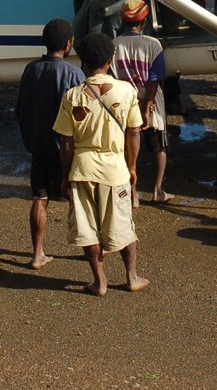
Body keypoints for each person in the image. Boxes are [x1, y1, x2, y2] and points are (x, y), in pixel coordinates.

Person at [53, 31, 149, 296]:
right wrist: (132, 168)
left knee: (88, 229)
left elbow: (66, 141)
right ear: (110, 59)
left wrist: (65, 175)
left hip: (82, 169)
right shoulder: (126, 91)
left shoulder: (72, 96)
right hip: (115, 170)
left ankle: (100, 281)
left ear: (82, 61)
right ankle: (131, 277)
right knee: (123, 226)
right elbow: (133, 132)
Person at [16, 19, 84, 270]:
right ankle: (94, 252)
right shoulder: (74, 73)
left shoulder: (30, 69)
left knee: (40, 197)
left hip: (38, 146)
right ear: (69, 44)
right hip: (65, 148)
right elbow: (82, 115)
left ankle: (37, 254)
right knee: (80, 200)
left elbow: (20, 108)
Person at [112, 0, 173, 205]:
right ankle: (158, 190)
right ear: (145, 20)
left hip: (123, 102)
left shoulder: (114, 45)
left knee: (128, 149)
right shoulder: (153, 44)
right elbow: (155, 78)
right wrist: (147, 105)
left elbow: (112, 76)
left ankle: (133, 193)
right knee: (159, 146)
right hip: (151, 100)